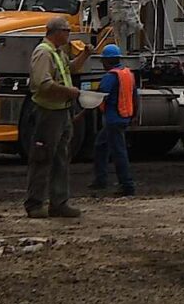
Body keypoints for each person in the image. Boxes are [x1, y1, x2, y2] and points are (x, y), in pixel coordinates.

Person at [22, 15, 85, 218]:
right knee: (42, 157)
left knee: (61, 158)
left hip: (60, 111)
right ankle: (34, 203)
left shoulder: (57, 53)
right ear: (56, 32)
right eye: (66, 31)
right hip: (47, 112)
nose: (69, 34)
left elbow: (70, 68)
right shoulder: (44, 53)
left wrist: (85, 55)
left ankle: (59, 202)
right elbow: (43, 83)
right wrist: (69, 92)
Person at [87, 44, 138, 198]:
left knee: (118, 152)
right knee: (101, 145)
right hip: (123, 116)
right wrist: (133, 115)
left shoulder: (111, 77)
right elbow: (135, 96)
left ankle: (127, 185)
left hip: (113, 119)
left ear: (107, 61)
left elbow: (101, 96)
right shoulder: (127, 73)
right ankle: (101, 179)